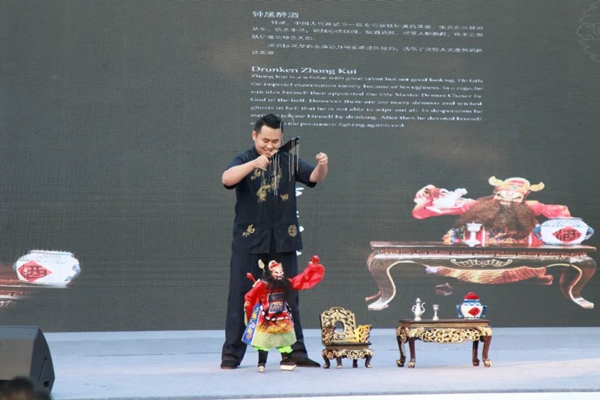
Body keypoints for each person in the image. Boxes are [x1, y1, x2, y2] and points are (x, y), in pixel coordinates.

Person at [220, 113, 328, 369]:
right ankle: (232, 354)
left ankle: (294, 352)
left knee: (288, 297)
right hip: (249, 240)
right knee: (241, 297)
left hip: (283, 241)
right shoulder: (245, 158)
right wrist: (253, 164)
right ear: (255, 136)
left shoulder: (288, 160)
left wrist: (322, 165)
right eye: (265, 140)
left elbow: (314, 178)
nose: (270, 146)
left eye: (275, 141)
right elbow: (227, 179)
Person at [411, 175, 572, 284]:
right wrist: (430, 193)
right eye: (501, 196)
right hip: (474, 258)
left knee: (529, 267)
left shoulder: (532, 208)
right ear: (494, 194)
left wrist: (567, 231)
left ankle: (534, 276)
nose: (506, 201)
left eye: (515, 198)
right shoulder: (477, 206)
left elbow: (563, 215)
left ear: (524, 199)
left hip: (519, 260)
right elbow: (426, 211)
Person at [243, 255, 325, 372]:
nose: (280, 274)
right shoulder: (262, 285)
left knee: (285, 341)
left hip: (281, 317)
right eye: (276, 272)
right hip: (266, 317)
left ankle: (286, 361)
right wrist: (248, 305)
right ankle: (261, 363)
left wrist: (312, 268)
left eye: (281, 272)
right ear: (270, 273)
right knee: (263, 342)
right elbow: (250, 296)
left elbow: (301, 280)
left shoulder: (285, 283)